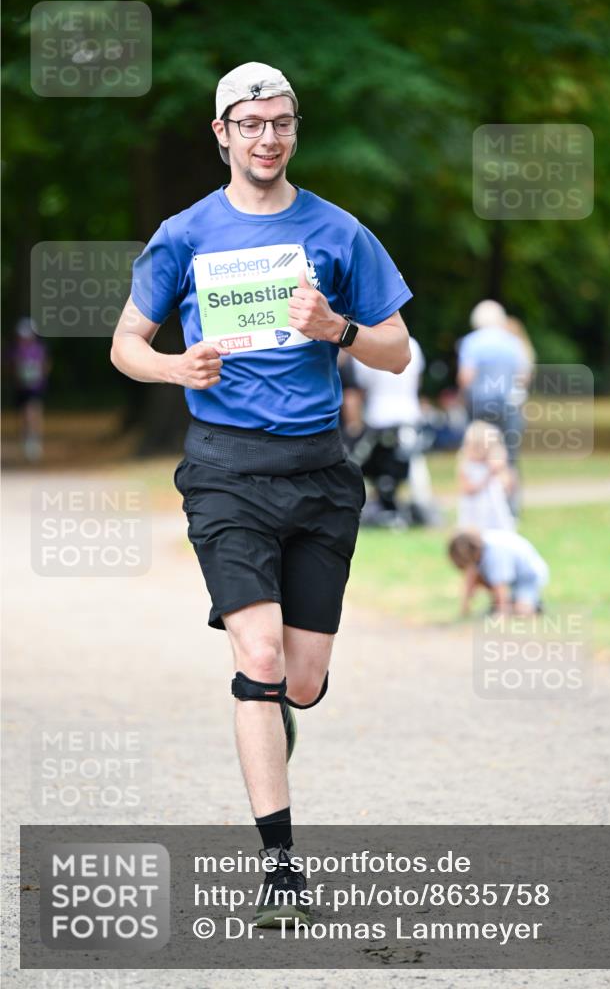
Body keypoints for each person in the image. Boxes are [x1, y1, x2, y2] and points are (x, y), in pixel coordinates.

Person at [110, 62, 412, 926]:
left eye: (280, 123)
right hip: (225, 471)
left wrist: (338, 330)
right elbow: (127, 341)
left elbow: (397, 351)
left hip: (320, 474)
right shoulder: (184, 233)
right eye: (250, 125)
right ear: (222, 134)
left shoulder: (338, 230)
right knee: (262, 658)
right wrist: (172, 365)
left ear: (292, 129)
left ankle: (282, 713)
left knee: (304, 681)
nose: (267, 138)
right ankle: (279, 868)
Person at [349, 335, 435, 526]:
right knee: (414, 463)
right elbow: (417, 380)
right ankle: (422, 506)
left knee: (375, 463)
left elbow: (362, 385)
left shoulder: (363, 341)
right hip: (408, 412)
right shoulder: (413, 343)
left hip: (379, 415)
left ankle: (378, 504)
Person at [456, 301, 531, 503]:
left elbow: (466, 377)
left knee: (477, 455)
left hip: (480, 407)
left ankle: (481, 500)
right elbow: (523, 376)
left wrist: (464, 399)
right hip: (509, 407)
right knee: (509, 457)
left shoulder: (472, 342)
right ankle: (510, 506)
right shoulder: (513, 342)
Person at [447, 527, 549, 617]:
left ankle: (531, 604)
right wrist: (464, 609)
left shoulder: (495, 554)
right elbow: (471, 577)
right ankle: (508, 602)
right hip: (511, 575)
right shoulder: (480, 549)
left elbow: (500, 585)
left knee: (521, 611)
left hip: (528, 577)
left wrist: (502, 612)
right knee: (477, 574)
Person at [457, 420, 515, 532]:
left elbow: (508, 486)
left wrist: (499, 467)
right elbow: (468, 489)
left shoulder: (494, 467)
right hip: (473, 508)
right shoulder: (467, 466)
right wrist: (488, 476)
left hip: (494, 507)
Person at [12, 317, 50, 462]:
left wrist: (39, 378)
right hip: (22, 387)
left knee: (33, 412)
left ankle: (35, 440)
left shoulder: (39, 349)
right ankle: (26, 439)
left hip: (36, 387)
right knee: (24, 414)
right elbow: (14, 368)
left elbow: (45, 365)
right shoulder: (17, 350)